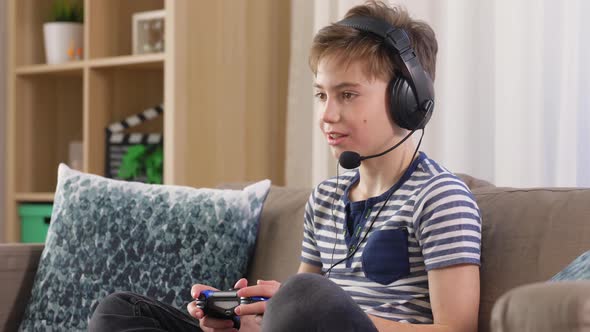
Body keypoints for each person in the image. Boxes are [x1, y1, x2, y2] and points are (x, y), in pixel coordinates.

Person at [90, 1, 481, 331]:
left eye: (347, 95)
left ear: (407, 99)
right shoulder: (326, 198)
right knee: (118, 311)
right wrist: (249, 320)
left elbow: (456, 330)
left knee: (302, 296)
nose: (327, 114)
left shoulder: (439, 197)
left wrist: (295, 304)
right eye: (321, 95)